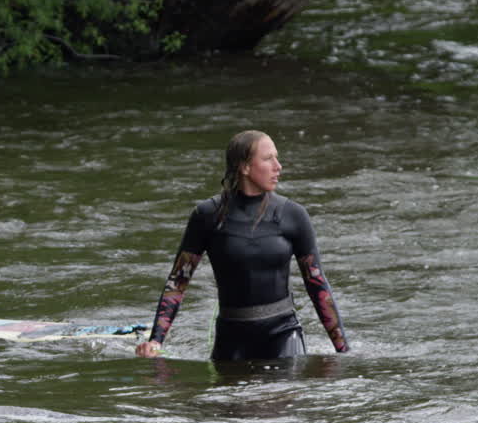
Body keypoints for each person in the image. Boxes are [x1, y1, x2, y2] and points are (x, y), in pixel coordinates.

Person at [135, 130, 349, 360]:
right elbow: (178, 282)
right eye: (268, 159)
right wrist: (155, 341)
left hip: (283, 333)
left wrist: (343, 351)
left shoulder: (294, 215)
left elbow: (317, 284)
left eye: (276, 158)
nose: (278, 166)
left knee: (282, 392)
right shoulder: (207, 216)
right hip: (231, 336)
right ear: (244, 167)